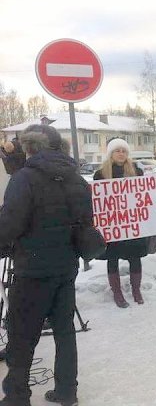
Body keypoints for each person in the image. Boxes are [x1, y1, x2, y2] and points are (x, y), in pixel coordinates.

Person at [0, 124, 92, 406]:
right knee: (64, 330)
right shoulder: (76, 179)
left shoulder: (24, 179)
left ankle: (17, 396)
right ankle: (67, 391)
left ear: (30, 148)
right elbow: (86, 223)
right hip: (65, 266)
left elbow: (9, 224)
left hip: (31, 269)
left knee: (22, 333)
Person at [94, 138, 148, 308]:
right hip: (113, 225)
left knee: (135, 257)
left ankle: (136, 290)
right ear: (111, 153)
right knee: (113, 258)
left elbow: (143, 194)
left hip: (132, 223)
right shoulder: (101, 174)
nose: (121, 154)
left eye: (124, 151)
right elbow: (98, 200)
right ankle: (117, 292)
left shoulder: (137, 172)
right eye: (117, 150)